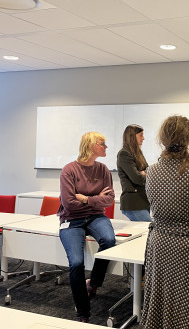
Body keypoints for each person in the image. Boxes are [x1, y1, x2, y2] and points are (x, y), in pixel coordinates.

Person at [142, 115, 189, 329]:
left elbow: (153, 200)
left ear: (162, 139)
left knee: (162, 293)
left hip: (161, 243)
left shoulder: (152, 171)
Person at [57, 131, 116, 323]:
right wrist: (96, 199)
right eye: (102, 143)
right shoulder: (69, 170)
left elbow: (109, 200)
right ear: (91, 146)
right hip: (72, 219)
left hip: (96, 216)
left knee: (109, 240)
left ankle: (94, 283)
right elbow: (68, 204)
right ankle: (83, 312)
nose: (106, 147)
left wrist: (85, 198)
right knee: (76, 263)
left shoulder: (103, 169)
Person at [117, 124, 151, 222]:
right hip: (133, 203)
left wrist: (144, 173)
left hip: (143, 200)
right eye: (141, 135)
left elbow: (148, 171)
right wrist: (143, 174)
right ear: (132, 136)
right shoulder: (124, 154)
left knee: (145, 233)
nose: (143, 138)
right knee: (148, 230)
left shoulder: (138, 153)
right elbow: (137, 178)